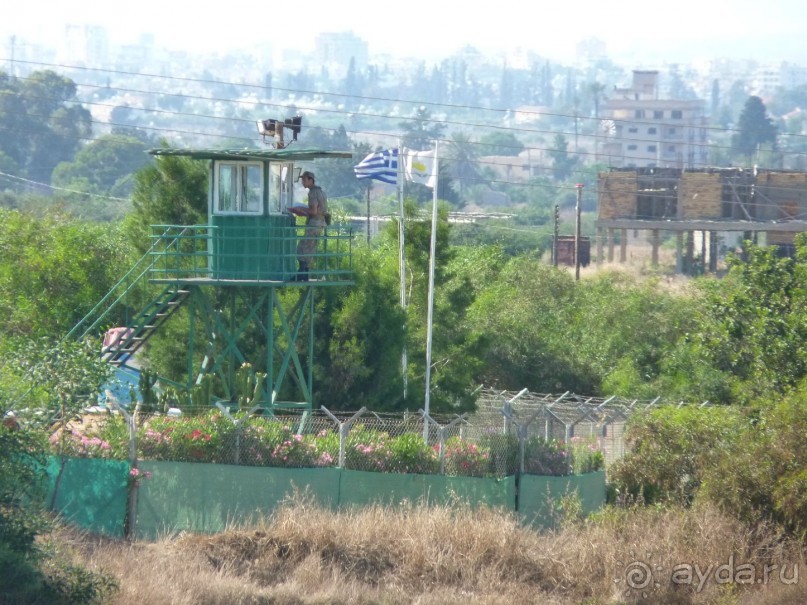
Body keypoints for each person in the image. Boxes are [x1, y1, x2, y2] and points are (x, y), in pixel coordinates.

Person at [292, 171, 328, 281]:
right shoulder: (321, 192)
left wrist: (302, 210)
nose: (303, 181)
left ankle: (301, 273)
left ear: (310, 179)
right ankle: (306, 274)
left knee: (301, 248)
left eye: (304, 179)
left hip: (314, 223)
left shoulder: (313, 193)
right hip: (321, 224)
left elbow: (313, 210)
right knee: (310, 249)